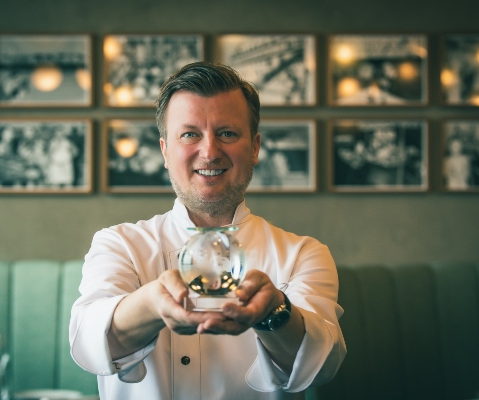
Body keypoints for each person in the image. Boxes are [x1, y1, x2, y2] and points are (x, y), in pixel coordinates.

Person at [69, 62, 346, 399]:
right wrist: (153, 304)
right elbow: (88, 340)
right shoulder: (119, 244)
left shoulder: (303, 254)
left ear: (255, 147)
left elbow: (321, 364)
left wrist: (273, 311)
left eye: (227, 133)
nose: (210, 152)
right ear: (165, 151)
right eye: (190, 134)